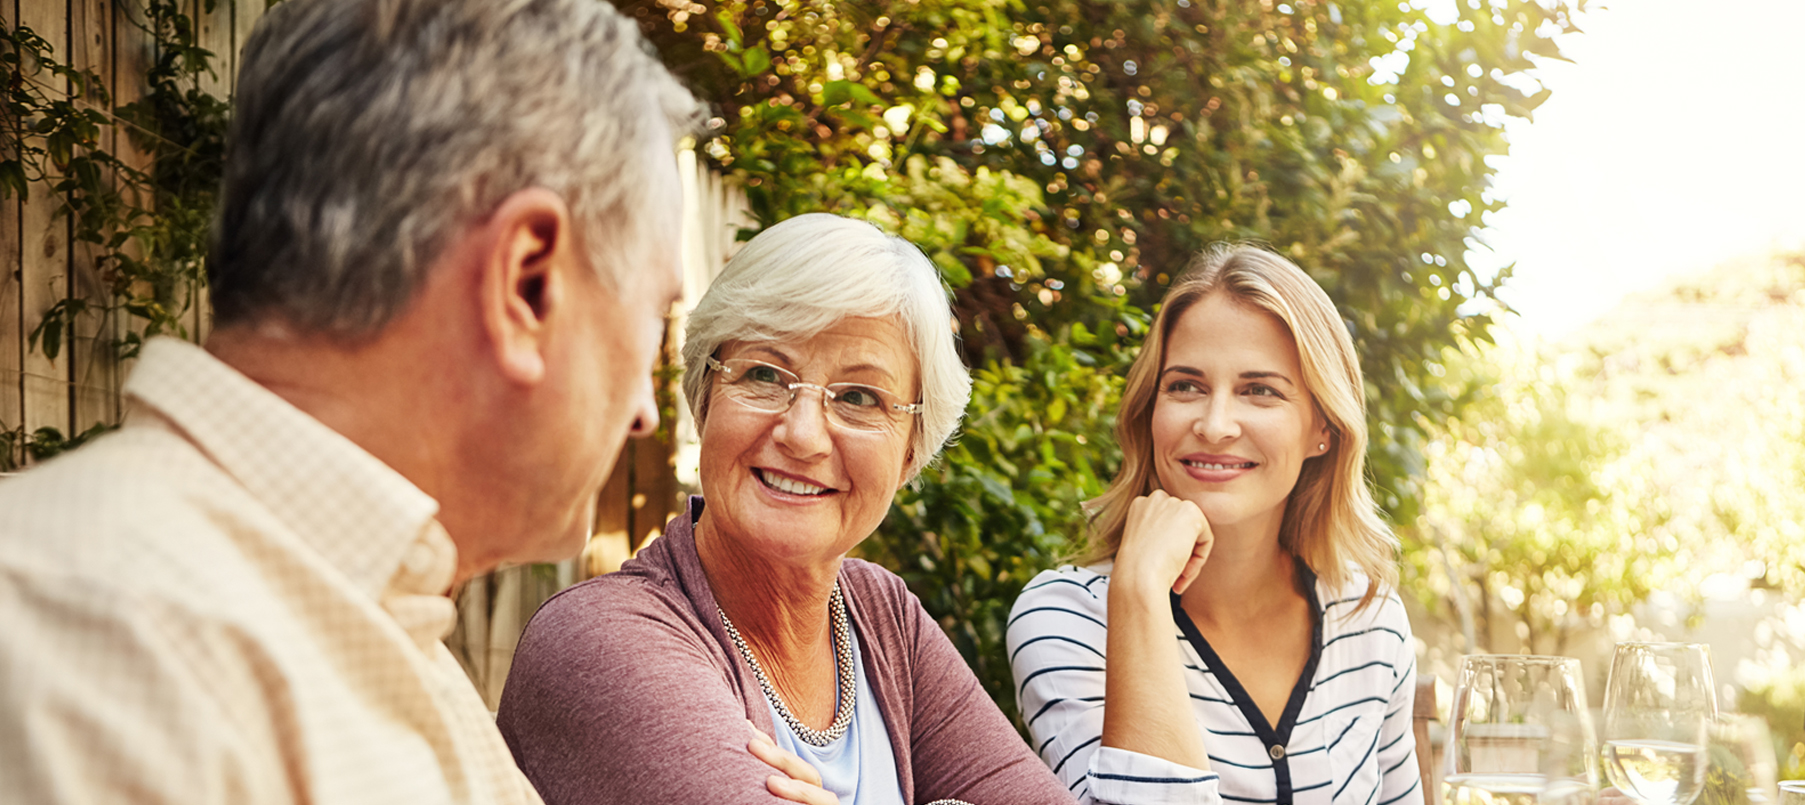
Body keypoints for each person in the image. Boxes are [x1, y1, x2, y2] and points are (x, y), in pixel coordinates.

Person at [0, 0, 703, 801]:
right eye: (654, 322)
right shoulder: (83, 641)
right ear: (527, 284)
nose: (646, 412)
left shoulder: (376, 626)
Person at [496, 213, 1074, 805]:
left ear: (909, 453)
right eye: (765, 375)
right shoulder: (602, 642)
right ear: (704, 399)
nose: (803, 435)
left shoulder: (883, 616)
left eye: (858, 397)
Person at [1007, 245, 1423, 805]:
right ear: (1148, 411)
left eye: (1260, 390)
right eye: (1186, 386)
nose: (1215, 424)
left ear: (1322, 427)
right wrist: (1138, 590)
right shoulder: (1066, 618)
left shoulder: (1370, 618)